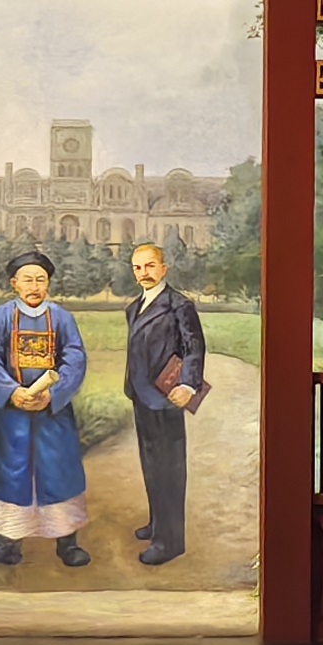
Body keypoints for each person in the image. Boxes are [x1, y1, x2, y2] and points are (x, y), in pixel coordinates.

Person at [0, 251, 91, 570]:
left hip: (53, 415)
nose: (35, 286)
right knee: (11, 473)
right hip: (12, 415)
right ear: (14, 283)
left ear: (49, 284)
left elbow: (75, 358)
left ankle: (67, 542)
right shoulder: (1, 317)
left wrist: (52, 395)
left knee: (59, 473)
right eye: (28, 280)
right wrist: (12, 393)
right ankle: (9, 539)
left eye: (41, 279)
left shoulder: (62, 318)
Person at [121, 239, 210, 567]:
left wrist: (188, 384)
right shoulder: (134, 307)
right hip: (140, 395)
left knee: (169, 469)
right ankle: (158, 522)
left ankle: (169, 541)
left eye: (149, 266)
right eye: (137, 267)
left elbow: (194, 347)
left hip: (167, 398)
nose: (143, 273)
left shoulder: (179, 305)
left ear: (164, 268)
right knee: (151, 464)